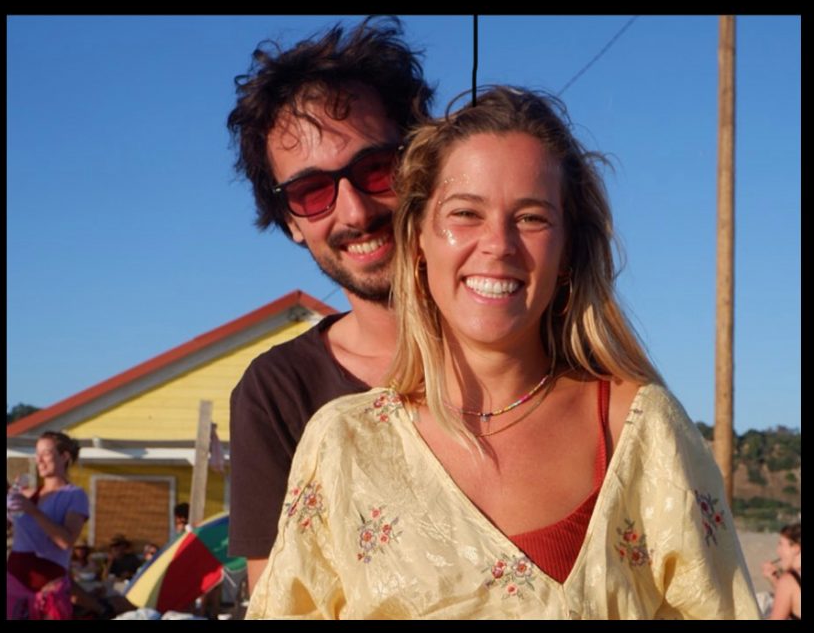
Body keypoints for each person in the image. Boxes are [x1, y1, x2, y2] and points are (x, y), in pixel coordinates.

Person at [246, 86, 762, 619]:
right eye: (465, 213)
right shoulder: (342, 445)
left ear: (567, 251)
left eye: (532, 218)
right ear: (419, 239)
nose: (498, 244)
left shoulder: (642, 429)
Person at [226, 16, 433, 594]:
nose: (355, 211)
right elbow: (278, 599)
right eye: (311, 191)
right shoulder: (277, 394)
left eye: (376, 169)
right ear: (290, 221)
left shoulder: (528, 346)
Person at [6, 431, 89, 619]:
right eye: (37, 454)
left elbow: (67, 541)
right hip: (14, 583)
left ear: (64, 456)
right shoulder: (27, 495)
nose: (39, 460)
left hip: (48, 588)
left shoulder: (75, 495)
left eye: (46, 453)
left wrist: (34, 511)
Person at [761, 523, 801, 620]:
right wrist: (774, 580)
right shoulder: (790, 583)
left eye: (781, 544)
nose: (778, 551)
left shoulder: (788, 582)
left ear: (796, 548)